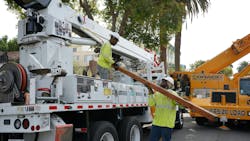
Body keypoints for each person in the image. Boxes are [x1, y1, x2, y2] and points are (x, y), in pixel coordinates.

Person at [148, 76, 178, 141]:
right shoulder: (157, 94)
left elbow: (179, 104)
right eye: (162, 81)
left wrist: (170, 94)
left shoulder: (173, 94)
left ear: (169, 84)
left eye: (165, 81)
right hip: (156, 123)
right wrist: (150, 91)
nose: (162, 82)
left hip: (167, 124)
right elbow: (151, 104)